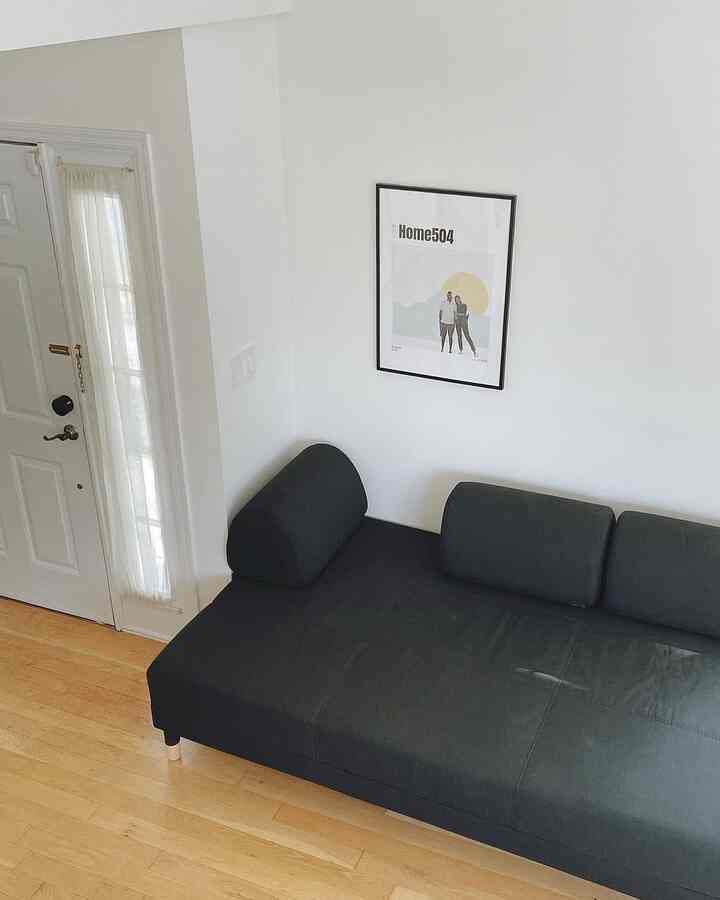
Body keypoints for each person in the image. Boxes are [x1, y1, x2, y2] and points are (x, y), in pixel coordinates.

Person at [454, 293, 477, 358]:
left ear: (460, 299)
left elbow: (464, 314)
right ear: (455, 300)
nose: (457, 300)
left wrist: (458, 315)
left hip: (464, 322)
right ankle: (461, 350)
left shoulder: (464, 305)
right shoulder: (455, 306)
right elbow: (455, 315)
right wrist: (456, 316)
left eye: (458, 299)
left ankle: (474, 350)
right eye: (456, 299)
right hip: (457, 323)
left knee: (467, 336)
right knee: (459, 336)